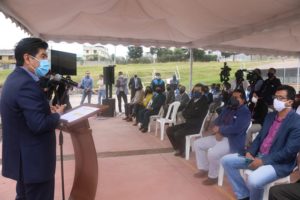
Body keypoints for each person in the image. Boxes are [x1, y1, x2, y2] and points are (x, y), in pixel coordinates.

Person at [0, 38, 65, 200]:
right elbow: (39, 124)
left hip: (24, 161)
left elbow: (25, 114)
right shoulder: (26, 84)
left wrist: (45, 110)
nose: (46, 61)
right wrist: (57, 115)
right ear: (28, 58)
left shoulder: (13, 79)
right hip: (35, 163)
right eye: (43, 56)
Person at [221, 85, 300, 200]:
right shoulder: (270, 116)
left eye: (280, 98)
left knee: (253, 180)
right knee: (226, 161)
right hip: (257, 156)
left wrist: (263, 161)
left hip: (277, 163)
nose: (276, 100)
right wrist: (250, 152)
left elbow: (289, 152)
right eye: (275, 97)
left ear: (290, 102)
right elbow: (260, 138)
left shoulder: (296, 122)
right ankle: (243, 195)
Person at [193, 89, 251, 185]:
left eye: (236, 97)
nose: (234, 99)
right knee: (197, 144)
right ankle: (204, 168)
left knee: (212, 153)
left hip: (232, 141)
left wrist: (220, 130)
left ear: (243, 100)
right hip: (219, 136)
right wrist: (217, 131)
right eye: (233, 97)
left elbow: (237, 128)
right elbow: (217, 121)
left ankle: (213, 176)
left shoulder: (245, 112)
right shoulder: (228, 108)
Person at [166, 83, 209, 157]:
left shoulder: (204, 102)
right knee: (169, 130)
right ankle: (179, 148)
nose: (195, 92)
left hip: (195, 126)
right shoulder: (192, 100)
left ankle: (184, 150)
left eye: (198, 90)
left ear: (202, 92)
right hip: (187, 123)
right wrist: (188, 114)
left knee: (178, 133)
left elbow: (195, 114)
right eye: (194, 90)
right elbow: (185, 111)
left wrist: (188, 114)